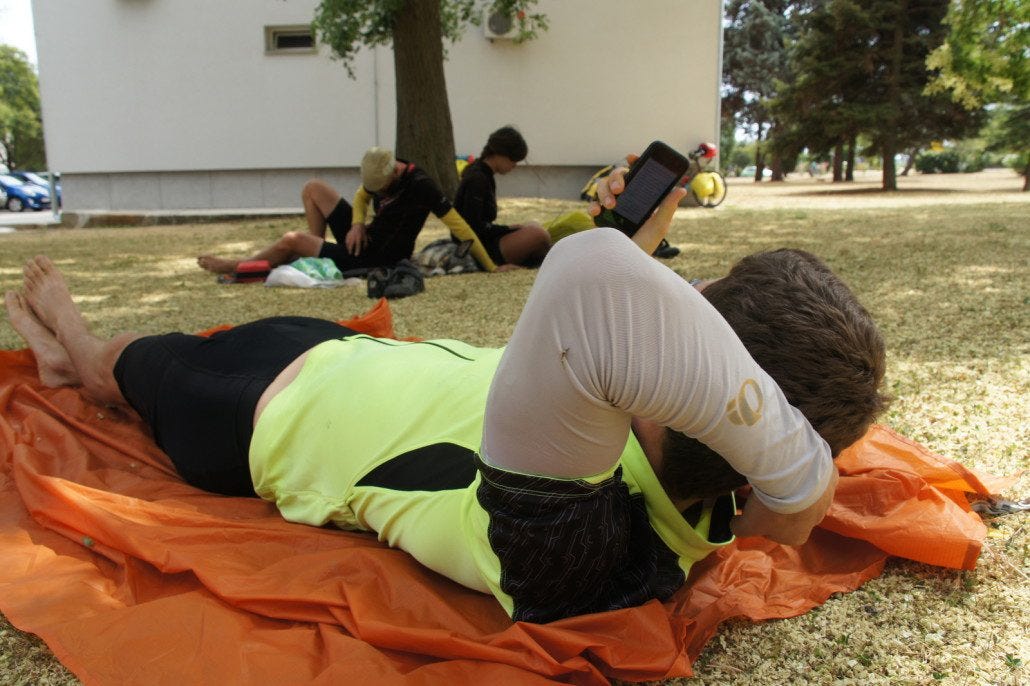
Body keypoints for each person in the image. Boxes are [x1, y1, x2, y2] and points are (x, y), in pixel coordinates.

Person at [6, 178, 887, 623]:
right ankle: (81, 355)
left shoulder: (583, 539)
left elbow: (592, 283)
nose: (683, 298)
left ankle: (68, 355)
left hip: (257, 416)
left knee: (107, 372)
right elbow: (631, 319)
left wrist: (798, 475)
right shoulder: (684, 464)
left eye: (704, 297)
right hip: (350, 357)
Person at [198, 147, 501, 275]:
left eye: (380, 190)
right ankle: (314, 259)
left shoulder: (422, 186)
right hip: (364, 239)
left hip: (377, 257)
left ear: (394, 175)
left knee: (291, 239)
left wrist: (492, 267)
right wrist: (357, 224)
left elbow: (459, 225)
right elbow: (360, 197)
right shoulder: (383, 170)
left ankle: (237, 266)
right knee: (313, 188)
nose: (377, 194)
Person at [453, 126, 551, 268]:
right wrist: (507, 229)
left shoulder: (483, 174)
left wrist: (510, 229)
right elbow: (473, 226)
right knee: (539, 235)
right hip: (477, 247)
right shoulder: (477, 178)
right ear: (500, 154)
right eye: (513, 159)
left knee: (534, 227)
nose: (514, 165)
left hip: (484, 240)